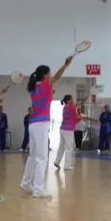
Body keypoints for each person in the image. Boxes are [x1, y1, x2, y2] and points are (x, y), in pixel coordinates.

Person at [20, 56, 75, 199]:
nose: (51, 75)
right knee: (42, 157)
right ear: (45, 75)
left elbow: (45, 95)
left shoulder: (33, 87)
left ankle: (26, 183)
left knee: (33, 156)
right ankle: (38, 189)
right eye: (49, 73)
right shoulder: (45, 85)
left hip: (32, 124)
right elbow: (58, 76)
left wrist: (50, 93)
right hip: (40, 124)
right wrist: (66, 65)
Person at [53, 95, 96, 171]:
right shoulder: (71, 108)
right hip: (68, 130)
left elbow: (78, 110)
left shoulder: (65, 107)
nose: (73, 100)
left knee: (61, 147)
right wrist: (90, 118)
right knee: (69, 148)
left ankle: (57, 162)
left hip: (62, 129)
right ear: (68, 101)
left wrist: (83, 101)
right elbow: (78, 114)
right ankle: (67, 166)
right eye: (72, 99)